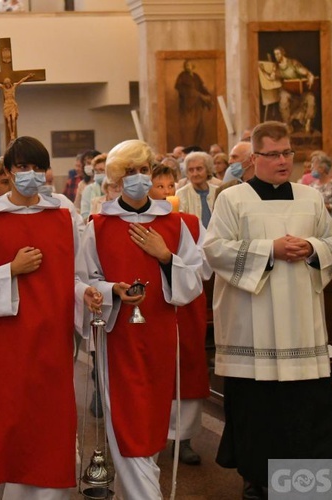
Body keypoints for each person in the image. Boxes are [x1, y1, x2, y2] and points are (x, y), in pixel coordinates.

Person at [203, 121, 332, 498]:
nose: (283, 160)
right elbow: (215, 249)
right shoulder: (232, 199)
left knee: (305, 409)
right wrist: (271, 250)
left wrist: (313, 248)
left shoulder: (310, 197)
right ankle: (258, 479)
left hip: (302, 324)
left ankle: (308, 482)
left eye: (287, 153)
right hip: (255, 328)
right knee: (260, 411)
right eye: (273, 154)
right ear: (255, 158)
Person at [0, 136, 98, 499]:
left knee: (51, 424)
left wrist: (88, 294)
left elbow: (76, 276)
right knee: (10, 424)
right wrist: (10, 270)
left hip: (53, 341)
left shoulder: (63, 218)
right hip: (8, 342)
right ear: (8, 171)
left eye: (38, 167)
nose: (31, 174)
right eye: (22, 167)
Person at [79, 139, 203, 498]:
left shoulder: (174, 223)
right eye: (129, 172)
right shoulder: (99, 225)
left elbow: (194, 280)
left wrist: (166, 257)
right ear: (117, 179)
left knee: (152, 416)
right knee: (127, 416)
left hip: (161, 332)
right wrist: (110, 290)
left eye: (143, 170)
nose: (138, 178)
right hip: (118, 336)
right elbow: (82, 279)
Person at [147, 163, 211, 466]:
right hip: (152, 307)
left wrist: (173, 262)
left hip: (186, 308)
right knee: (154, 370)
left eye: (171, 186)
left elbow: (206, 264)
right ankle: (154, 435)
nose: (166, 192)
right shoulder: (137, 222)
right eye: (159, 187)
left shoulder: (191, 223)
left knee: (187, 368)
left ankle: (184, 438)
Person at [263, 47, 316, 133]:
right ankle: (287, 125)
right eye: (275, 54)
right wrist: (262, 71)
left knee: (310, 98)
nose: (276, 56)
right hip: (288, 92)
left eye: (278, 54)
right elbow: (271, 77)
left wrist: (310, 76)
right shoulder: (276, 67)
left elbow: (305, 72)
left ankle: (308, 123)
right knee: (283, 98)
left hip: (300, 91)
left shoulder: (293, 63)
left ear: (283, 53)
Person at [0, 73, 35, 142]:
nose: (7, 85)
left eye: (8, 83)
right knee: (8, 120)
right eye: (6, 84)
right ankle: (11, 133)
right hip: (7, 104)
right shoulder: (3, 88)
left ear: (10, 83)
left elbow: (21, 81)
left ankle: (13, 133)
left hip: (12, 104)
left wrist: (28, 76)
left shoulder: (14, 87)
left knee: (13, 119)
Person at [175, 60, 212, 148]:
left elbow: (201, 87)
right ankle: (188, 145)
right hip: (188, 105)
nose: (188, 67)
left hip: (197, 105)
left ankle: (197, 144)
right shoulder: (182, 76)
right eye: (186, 65)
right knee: (189, 126)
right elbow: (179, 87)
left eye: (190, 65)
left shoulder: (196, 76)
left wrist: (207, 95)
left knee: (199, 125)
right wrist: (197, 94)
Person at [176, 151, 217, 228]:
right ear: (187, 173)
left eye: (199, 169)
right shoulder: (181, 194)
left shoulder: (218, 191)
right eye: (191, 170)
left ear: (208, 170)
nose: (195, 174)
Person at [309, 152, 332, 223]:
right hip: (315, 224)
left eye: (313, 167)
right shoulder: (312, 186)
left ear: (322, 169)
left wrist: (323, 206)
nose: (311, 169)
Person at [80, 153, 107, 221]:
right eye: (96, 171)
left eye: (101, 170)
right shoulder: (89, 189)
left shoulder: (116, 189)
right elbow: (84, 215)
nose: (98, 174)